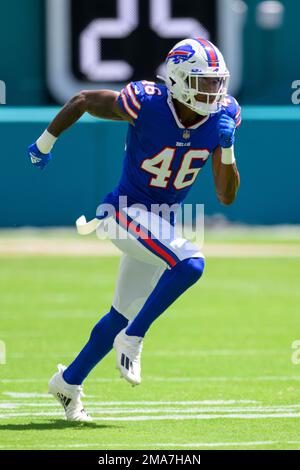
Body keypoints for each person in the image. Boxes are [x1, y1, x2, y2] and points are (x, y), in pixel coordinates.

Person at [27, 38, 241, 422]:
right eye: (202, 82)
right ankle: (134, 338)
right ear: (176, 80)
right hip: (123, 211)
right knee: (191, 263)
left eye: (216, 82)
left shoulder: (223, 116)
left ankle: (68, 383)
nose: (213, 92)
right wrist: (44, 144)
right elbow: (84, 100)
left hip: (158, 223)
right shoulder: (147, 102)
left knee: (120, 315)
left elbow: (226, 196)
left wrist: (226, 148)